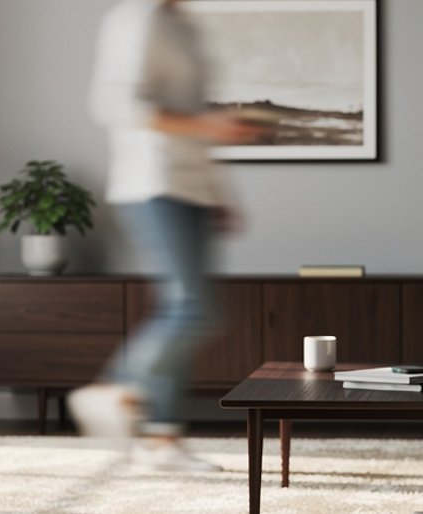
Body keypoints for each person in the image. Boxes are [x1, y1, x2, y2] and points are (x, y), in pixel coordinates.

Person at [69, 0, 265, 472]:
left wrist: (218, 193)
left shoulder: (182, 24)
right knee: (191, 310)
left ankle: (161, 441)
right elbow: (116, 103)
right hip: (153, 183)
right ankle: (112, 386)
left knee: (183, 310)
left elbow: (190, 114)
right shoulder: (137, 18)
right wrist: (210, 126)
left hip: (191, 187)